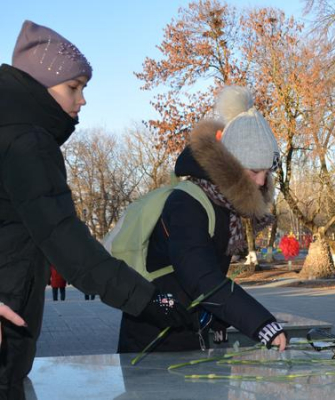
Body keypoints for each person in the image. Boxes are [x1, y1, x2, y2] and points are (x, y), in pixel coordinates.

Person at [0, 21, 193, 399]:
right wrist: (149, 299)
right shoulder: (27, 142)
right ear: (40, 87)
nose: (82, 99)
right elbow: (67, 242)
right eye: (74, 87)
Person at [117, 86, 287, 353]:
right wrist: (262, 324)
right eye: (254, 170)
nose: (261, 181)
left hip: (188, 331)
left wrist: (220, 319)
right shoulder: (187, 204)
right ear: (230, 163)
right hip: (154, 334)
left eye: (267, 171)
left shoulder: (223, 204)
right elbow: (201, 277)